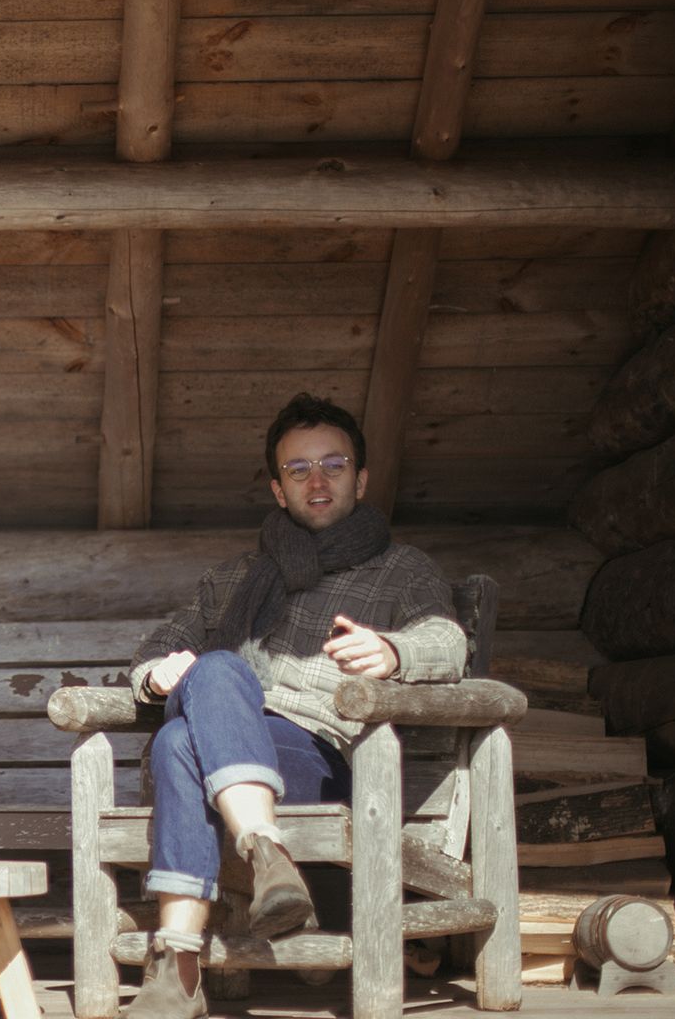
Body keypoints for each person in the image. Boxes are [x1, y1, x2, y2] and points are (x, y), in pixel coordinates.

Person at [123, 393, 468, 1019]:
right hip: (235, 749)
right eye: (297, 469)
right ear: (278, 489)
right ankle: (264, 849)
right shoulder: (232, 580)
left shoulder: (400, 570)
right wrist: (157, 674)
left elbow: (446, 638)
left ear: (360, 479)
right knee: (209, 684)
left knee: (181, 739)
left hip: (318, 761)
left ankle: (177, 972)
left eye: (333, 465)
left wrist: (393, 651)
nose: (316, 480)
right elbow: (154, 651)